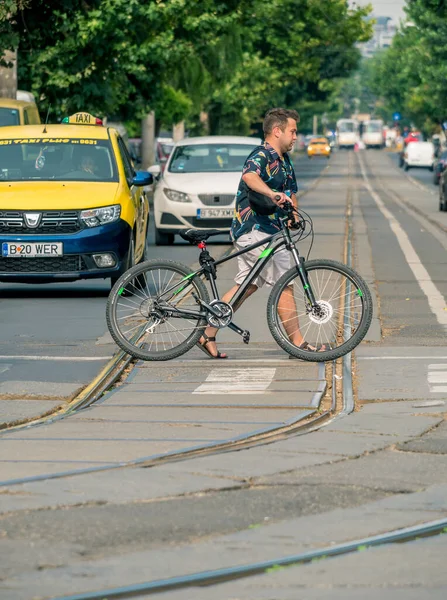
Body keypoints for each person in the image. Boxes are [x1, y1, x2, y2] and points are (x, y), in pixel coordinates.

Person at [197, 107, 326, 359]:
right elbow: (249, 177)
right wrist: (271, 193)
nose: (296, 136)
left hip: (268, 231)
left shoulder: (285, 160)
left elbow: (291, 192)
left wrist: (294, 215)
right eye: (293, 131)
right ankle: (298, 343)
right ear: (277, 131)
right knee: (284, 282)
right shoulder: (261, 155)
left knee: (247, 285)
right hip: (253, 228)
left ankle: (207, 333)